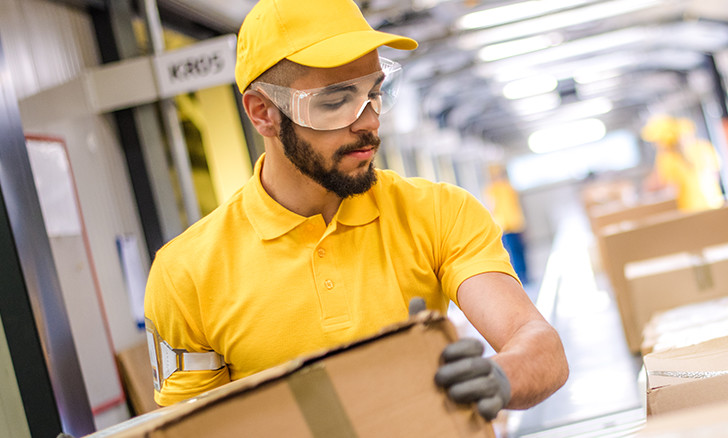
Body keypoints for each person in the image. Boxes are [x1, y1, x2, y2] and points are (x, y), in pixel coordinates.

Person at [143, 0, 567, 421]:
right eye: (335, 102)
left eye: (374, 92)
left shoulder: (438, 211)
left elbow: (538, 344)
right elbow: (192, 428)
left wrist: (497, 375)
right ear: (263, 113)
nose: (368, 121)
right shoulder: (186, 275)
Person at [641, 115, 724, 212]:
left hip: (690, 209)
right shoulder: (704, 147)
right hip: (713, 203)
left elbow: (663, 184)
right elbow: (715, 175)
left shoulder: (668, 158)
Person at [484, 164, 528, 283]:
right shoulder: (494, 189)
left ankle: (523, 275)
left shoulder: (506, 188)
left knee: (519, 251)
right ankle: (520, 276)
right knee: (513, 253)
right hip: (505, 226)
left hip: (514, 223)